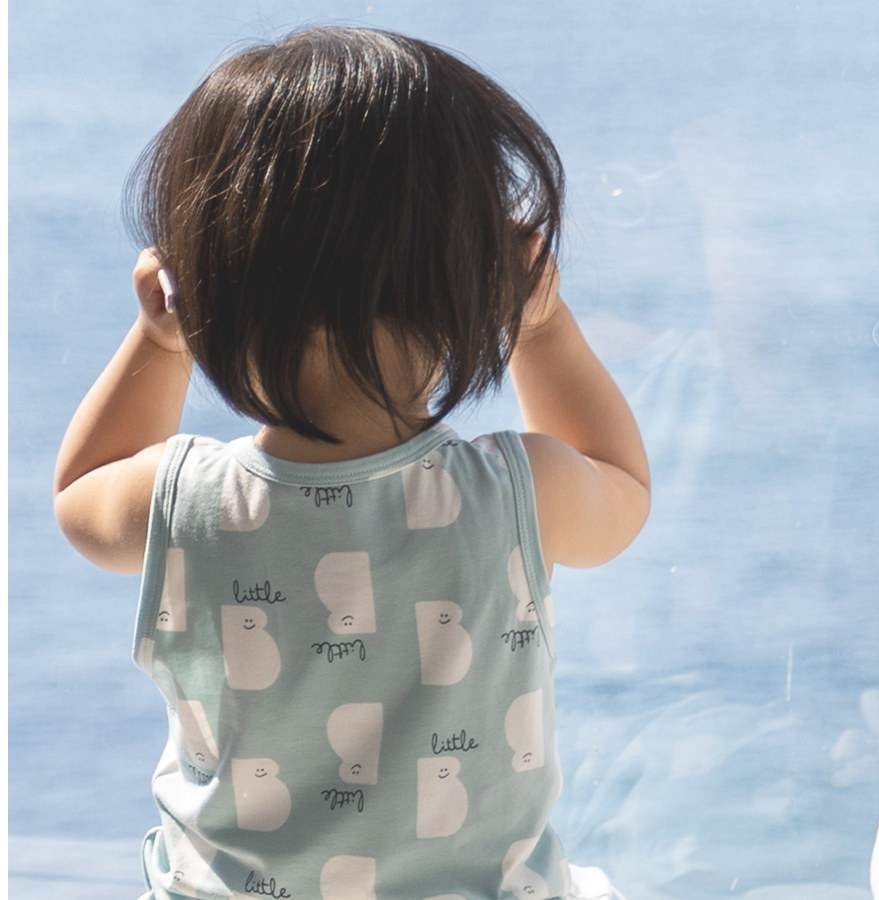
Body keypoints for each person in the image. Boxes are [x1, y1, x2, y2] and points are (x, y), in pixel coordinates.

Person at [52, 26, 649, 900]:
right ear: (472, 291)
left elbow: (79, 493)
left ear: (203, 293)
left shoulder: (183, 502)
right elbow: (621, 484)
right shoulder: (520, 491)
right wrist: (544, 326)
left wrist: (158, 338)